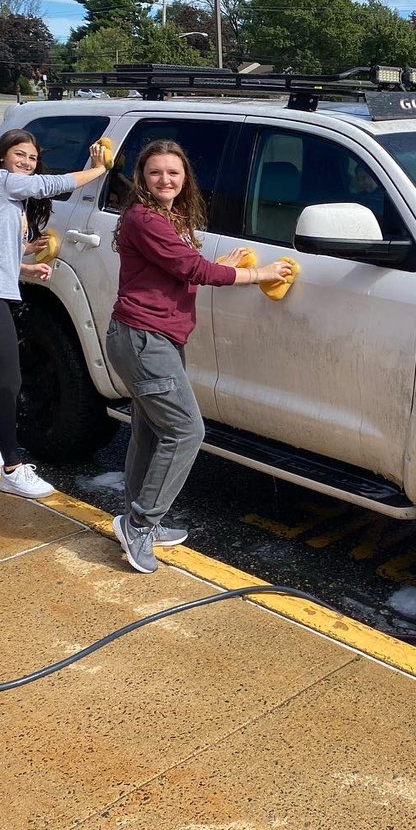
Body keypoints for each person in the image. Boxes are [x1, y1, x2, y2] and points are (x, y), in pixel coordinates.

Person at [105, 139, 292, 573]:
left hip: (152, 338)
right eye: (155, 173)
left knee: (152, 431)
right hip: (144, 339)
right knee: (187, 431)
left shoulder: (164, 217)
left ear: (184, 175)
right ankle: (140, 523)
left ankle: (139, 520)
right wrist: (257, 273)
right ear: (142, 178)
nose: (165, 180)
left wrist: (214, 262)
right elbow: (192, 270)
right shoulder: (145, 218)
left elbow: (180, 265)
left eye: (173, 172)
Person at [0, 129, 110, 499]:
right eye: (19, 155)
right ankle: (12, 468)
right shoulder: (0, 181)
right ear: (1, 159)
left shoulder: (3, 198)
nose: (26, 162)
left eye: (31, 158)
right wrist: (98, 169)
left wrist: (26, 263)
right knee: (10, 381)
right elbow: (51, 184)